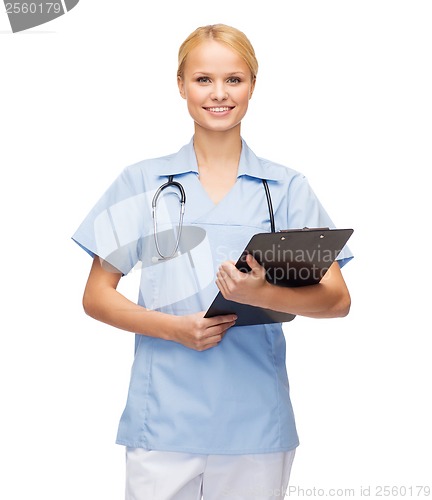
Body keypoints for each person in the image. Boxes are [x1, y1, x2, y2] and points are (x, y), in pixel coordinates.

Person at [72, 23, 353, 500]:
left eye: (234, 80)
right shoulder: (143, 182)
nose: (219, 93)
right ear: (180, 85)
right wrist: (172, 329)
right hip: (162, 420)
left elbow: (337, 301)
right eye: (203, 79)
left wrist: (260, 294)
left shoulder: (284, 190)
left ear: (252, 87)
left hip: (255, 425)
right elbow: (96, 296)